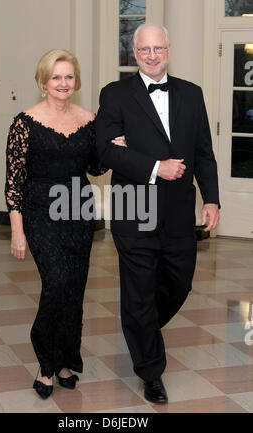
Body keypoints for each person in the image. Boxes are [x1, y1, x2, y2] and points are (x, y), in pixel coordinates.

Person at [96, 24, 220, 404]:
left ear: (169, 49)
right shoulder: (114, 94)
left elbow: (203, 152)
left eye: (158, 49)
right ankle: (151, 371)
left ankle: (141, 327)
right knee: (138, 292)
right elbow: (105, 152)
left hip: (180, 213)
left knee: (179, 284)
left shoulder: (192, 94)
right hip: (134, 211)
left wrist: (212, 199)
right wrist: (155, 167)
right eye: (144, 49)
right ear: (134, 53)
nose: (152, 55)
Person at [5, 49, 125, 399]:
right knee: (57, 282)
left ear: (76, 81)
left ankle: (65, 360)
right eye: (56, 77)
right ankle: (45, 360)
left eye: (69, 77)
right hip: (41, 211)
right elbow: (13, 183)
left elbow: (94, 168)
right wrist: (17, 231)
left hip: (79, 211)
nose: (63, 83)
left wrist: (111, 148)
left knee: (74, 288)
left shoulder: (89, 119)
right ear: (43, 81)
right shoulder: (24, 124)